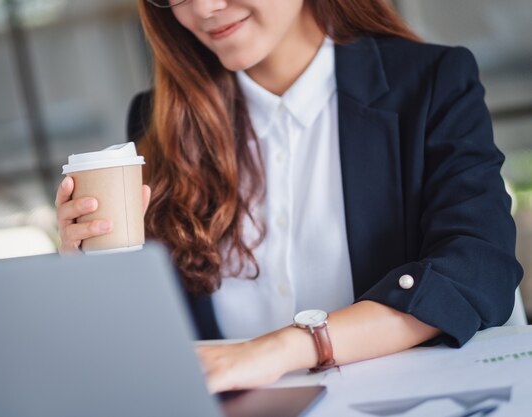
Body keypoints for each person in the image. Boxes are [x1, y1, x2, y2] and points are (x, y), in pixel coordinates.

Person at [55, 0, 523, 394]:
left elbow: (478, 269)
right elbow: (153, 341)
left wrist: (283, 348)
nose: (202, 9)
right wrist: (95, 275)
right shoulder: (157, 121)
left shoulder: (430, 82)